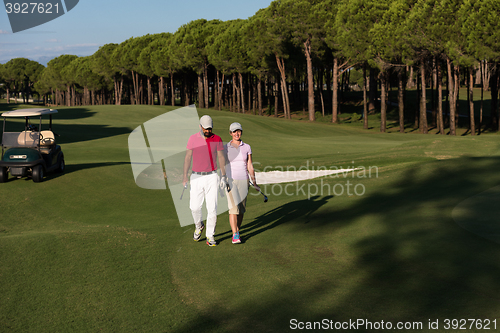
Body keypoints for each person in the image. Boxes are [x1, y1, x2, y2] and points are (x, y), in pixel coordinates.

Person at [183, 115, 227, 247]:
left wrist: (223, 175)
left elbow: (221, 157)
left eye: (210, 128)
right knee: (194, 207)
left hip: (212, 176)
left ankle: (210, 235)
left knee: (212, 208)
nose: (208, 131)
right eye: (205, 128)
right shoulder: (193, 138)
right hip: (196, 176)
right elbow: (187, 157)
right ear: (200, 126)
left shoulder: (217, 139)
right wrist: (185, 176)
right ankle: (199, 225)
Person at [225, 122, 259, 244]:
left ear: (241, 132)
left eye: (238, 131)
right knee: (233, 208)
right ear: (230, 133)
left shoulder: (247, 147)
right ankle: (235, 234)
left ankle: (237, 229)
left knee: (241, 209)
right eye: (234, 131)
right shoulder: (226, 147)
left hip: (244, 180)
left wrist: (254, 182)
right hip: (231, 180)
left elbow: (250, 165)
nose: (236, 133)